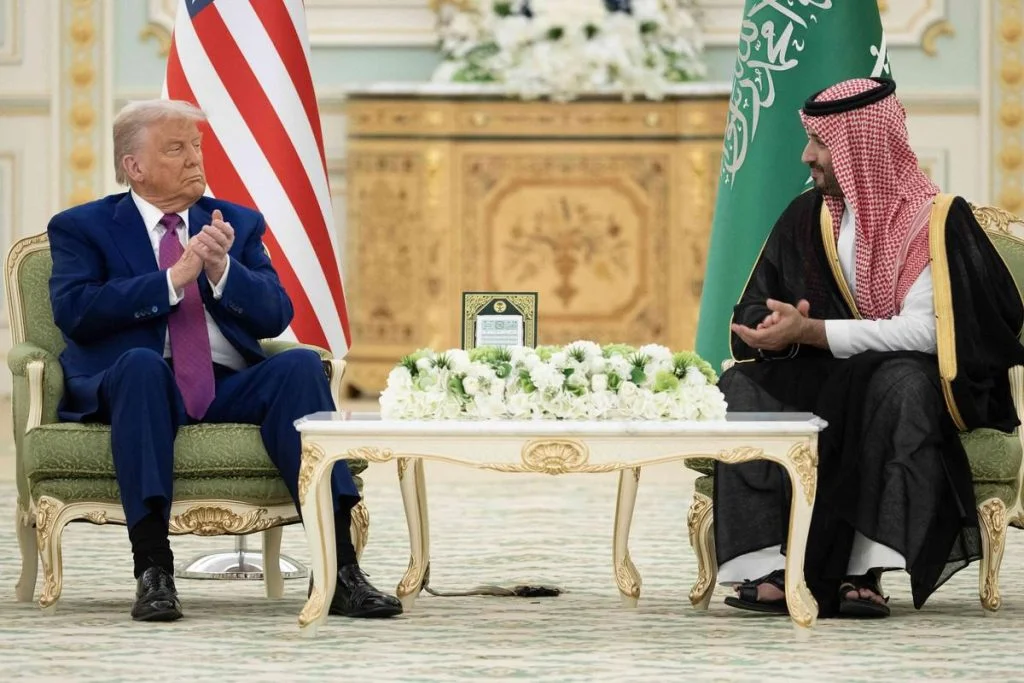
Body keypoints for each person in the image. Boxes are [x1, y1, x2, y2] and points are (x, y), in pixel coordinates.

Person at [47, 99, 403, 622]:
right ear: (134, 166)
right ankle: (154, 571)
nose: (195, 159)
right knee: (142, 365)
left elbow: (275, 315)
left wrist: (220, 269)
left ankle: (341, 571)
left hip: (225, 384)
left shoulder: (235, 222)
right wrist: (174, 278)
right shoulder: (83, 227)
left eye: (196, 146)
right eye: (176, 148)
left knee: (301, 365)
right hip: (137, 386)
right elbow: (75, 312)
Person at [714, 77, 1024, 619]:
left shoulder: (933, 222)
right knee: (742, 385)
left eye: (821, 142)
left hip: (914, 382)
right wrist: (770, 326)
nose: (807, 155)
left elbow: (926, 332)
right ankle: (768, 567)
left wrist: (814, 331)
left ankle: (861, 570)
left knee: (893, 382)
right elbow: (759, 300)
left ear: (863, 146)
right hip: (828, 371)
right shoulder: (808, 215)